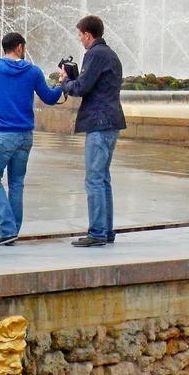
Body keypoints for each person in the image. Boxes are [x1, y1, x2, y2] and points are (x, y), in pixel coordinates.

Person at [0, 32, 63, 245]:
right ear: (19, 47)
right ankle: (13, 229)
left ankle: (6, 230)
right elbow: (50, 98)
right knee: (16, 183)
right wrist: (62, 82)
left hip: (3, 135)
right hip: (25, 136)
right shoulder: (33, 72)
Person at [58, 15, 125, 247]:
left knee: (94, 179)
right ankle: (105, 231)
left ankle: (97, 232)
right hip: (111, 121)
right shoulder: (111, 54)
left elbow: (82, 88)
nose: (80, 41)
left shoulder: (94, 54)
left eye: (80, 36)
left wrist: (65, 81)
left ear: (88, 34)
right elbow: (95, 84)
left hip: (99, 122)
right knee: (103, 179)